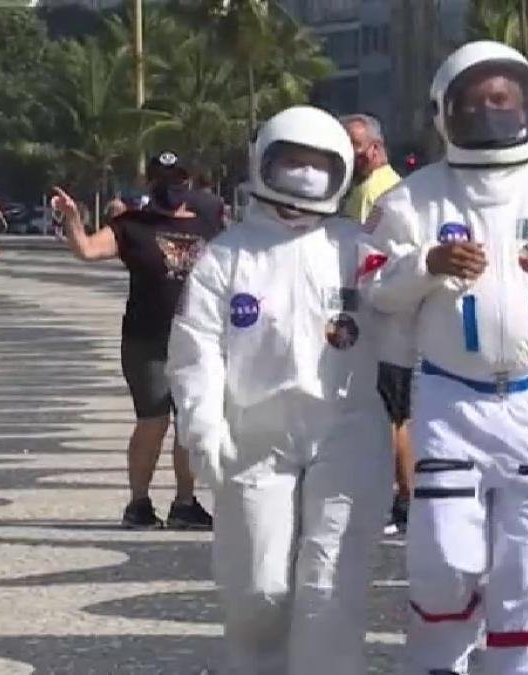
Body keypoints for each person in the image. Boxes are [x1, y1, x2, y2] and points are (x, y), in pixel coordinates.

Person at [361, 41, 528, 674]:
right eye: (476, 101)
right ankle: (439, 658)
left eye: (503, 99)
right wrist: (426, 265)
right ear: (445, 111)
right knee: (444, 560)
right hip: (450, 399)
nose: (491, 112)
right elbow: (375, 289)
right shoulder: (413, 201)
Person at [166, 105, 392, 675]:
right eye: (291, 161)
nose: (304, 175)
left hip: (348, 431)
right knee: (257, 591)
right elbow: (196, 350)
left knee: (329, 590)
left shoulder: (358, 249)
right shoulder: (227, 255)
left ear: (341, 170)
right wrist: (203, 427)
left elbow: (405, 313)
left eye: (318, 164)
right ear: (264, 162)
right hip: (254, 435)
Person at [53, 150, 216, 530]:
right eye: (162, 180)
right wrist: (73, 219)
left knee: (191, 422)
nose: (170, 188)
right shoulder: (131, 225)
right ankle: (138, 503)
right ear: (150, 184)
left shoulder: (208, 225)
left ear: (188, 182)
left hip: (198, 340)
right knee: (153, 419)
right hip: (148, 339)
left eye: (176, 180)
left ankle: (185, 502)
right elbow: (88, 250)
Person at [341, 112, 412, 535]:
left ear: (376, 147)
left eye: (354, 144)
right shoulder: (380, 188)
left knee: (390, 416)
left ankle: (401, 498)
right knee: (395, 414)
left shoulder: (376, 194)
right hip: (387, 319)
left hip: (381, 322)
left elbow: (362, 261)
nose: (349, 154)